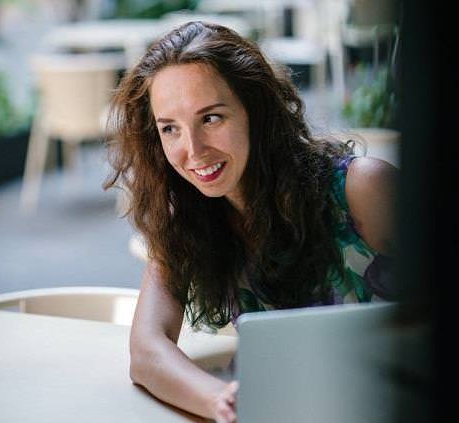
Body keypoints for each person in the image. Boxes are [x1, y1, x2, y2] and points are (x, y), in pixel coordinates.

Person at [104, 21, 398, 423]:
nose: (193, 151)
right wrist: (222, 400)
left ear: (254, 110)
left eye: (211, 118)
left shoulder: (362, 188)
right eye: (170, 128)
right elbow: (146, 350)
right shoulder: (187, 219)